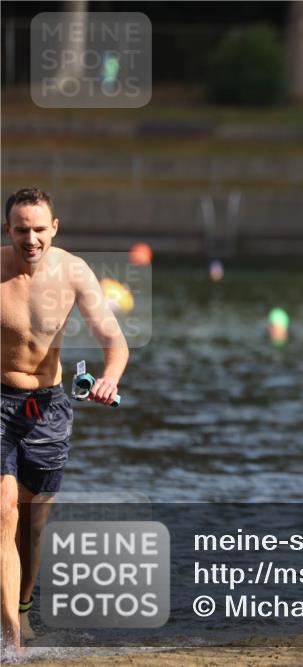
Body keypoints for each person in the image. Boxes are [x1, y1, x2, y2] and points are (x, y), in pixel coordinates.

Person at [1, 188, 128, 655]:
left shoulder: (73, 272)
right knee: (4, 511)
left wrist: (110, 379)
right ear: (7, 229)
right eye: (21, 229)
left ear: (54, 228)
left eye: (39, 229)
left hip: (48, 406)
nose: (30, 239)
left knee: (33, 522)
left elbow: (115, 344)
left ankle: (25, 605)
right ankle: (10, 640)